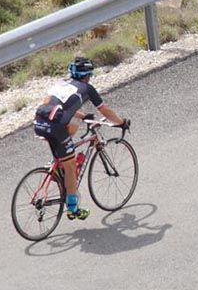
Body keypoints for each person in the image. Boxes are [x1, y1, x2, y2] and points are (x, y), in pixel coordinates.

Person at [33, 56, 129, 220]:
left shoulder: (60, 83)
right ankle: (73, 208)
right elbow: (105, 111)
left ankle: (57, 164)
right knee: (70, 166)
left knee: (74, 124)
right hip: (56, 128)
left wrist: (83, 116)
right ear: (88, 75)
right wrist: (121, 123)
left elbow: (58, 107)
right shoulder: (87, 88)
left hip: (39, 122)